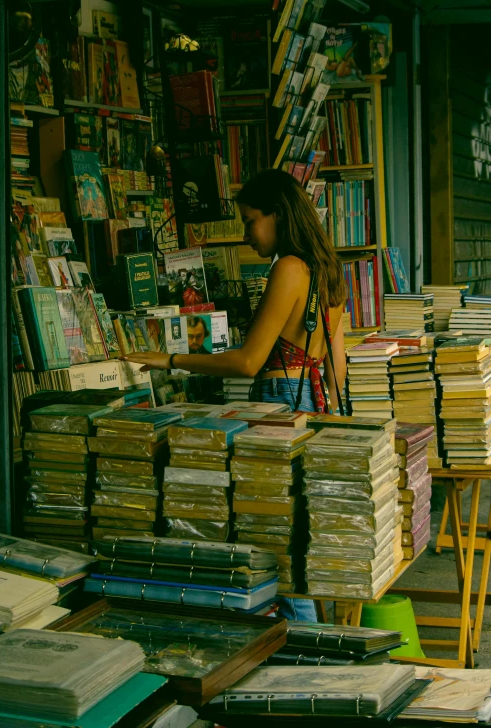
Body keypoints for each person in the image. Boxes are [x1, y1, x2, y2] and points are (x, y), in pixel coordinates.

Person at [124, 168, 347, 620]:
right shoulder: (328, 269)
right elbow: (335, 364)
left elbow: (247, 361)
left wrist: (169, 360)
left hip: (279, 399)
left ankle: (297, 647)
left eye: (250, 221)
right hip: (315, 403)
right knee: (292, 537)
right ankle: (308, 644)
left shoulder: (288, 268)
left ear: (278, 216)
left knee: (269, 538)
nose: (246, 235)